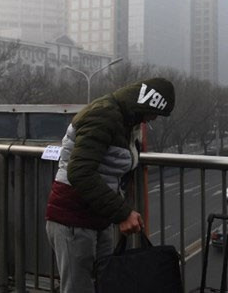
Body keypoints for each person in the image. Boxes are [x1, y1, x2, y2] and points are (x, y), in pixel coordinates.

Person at [45, 78, 175, 293]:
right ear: (145, 104)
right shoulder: (104, 115)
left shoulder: (125, 121)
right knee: (78, 288)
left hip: (98, 218)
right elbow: (80, 172)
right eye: (154, 113)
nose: (153, 119)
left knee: (105, 283)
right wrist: (123, 213)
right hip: (73, 220)